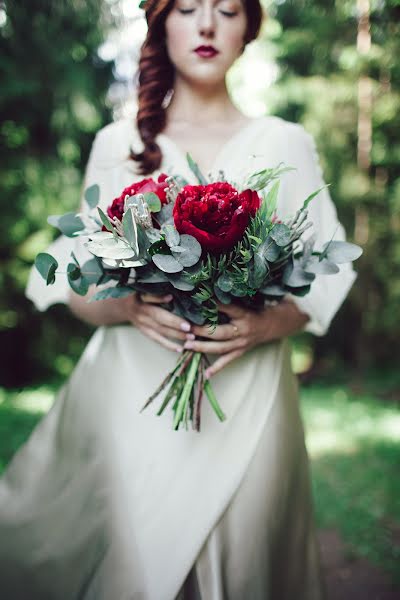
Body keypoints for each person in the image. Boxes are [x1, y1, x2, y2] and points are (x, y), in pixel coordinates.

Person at [0, 1, 357, 598]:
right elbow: (69, 279)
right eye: (188, 7)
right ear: (162, 23)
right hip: (133, 392)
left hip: (252, 389)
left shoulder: (286, 142)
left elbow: (323, 277)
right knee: (138, 566)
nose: (207, 25)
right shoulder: (119, 143)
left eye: (227, 9)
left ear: (250, 28)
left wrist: (267, 326)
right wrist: (123, 306)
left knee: (249, 559)